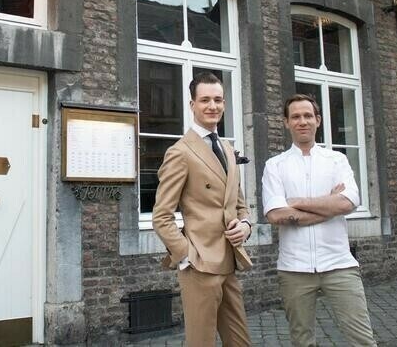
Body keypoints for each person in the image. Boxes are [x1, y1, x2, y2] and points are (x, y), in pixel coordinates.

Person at [262, 94, 376, 347]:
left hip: (339, 263)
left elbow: (348, 202)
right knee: (302, 341)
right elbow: (275, 215)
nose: (302, 121)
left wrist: (297, 202)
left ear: (318, 120)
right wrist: (328, 205)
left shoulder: (337, 160)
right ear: (286, 122)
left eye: (307, 116)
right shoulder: (275, 166)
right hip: (294, 269)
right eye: (295, 117)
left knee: (362, 340)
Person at [153, 72, 252, 347]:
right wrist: (187, 256)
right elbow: (161, 215)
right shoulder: (180, 152)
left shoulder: (227, 148)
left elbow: (239, 204)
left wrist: (245, 226)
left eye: (218, 100)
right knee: (201, 342)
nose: (212, 106)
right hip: (199, 265)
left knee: (240, 342)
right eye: (205, 100)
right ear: (192, 105)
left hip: (230, 260)